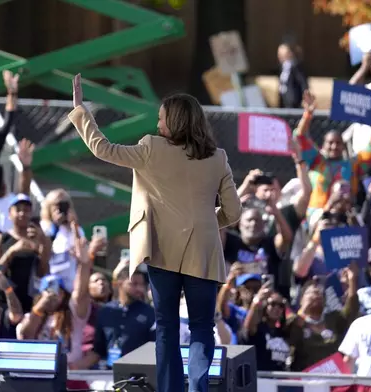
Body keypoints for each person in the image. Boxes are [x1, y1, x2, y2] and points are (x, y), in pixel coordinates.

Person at [68, 74, 242, 392]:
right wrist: (203, 223)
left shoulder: (151, 148)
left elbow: (102, 149)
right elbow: (233, 212)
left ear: (174, 122)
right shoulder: (217, 158)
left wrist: (81, 111)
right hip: (203, 250)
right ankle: (198, 388)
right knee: (203, 327)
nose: (158, 124)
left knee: (166, 327)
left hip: (162, 248)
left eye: (161, 118)